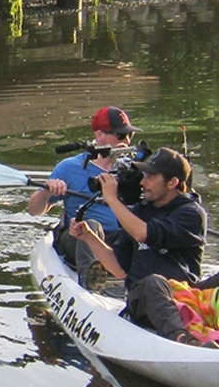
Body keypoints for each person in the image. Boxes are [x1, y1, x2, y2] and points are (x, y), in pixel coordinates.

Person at [69, 147, 207, 345]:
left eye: (151, 177)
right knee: (154, 282)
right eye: (144, 176)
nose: (143, 182)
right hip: (144, 298)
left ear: (172, 183)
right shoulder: (140, 212)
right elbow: (119, 269)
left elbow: (143, 234)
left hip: (186, 296)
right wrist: (88, 236)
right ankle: (183, 339)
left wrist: (112, 199)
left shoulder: (190, 213)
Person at [28, 106, 142, 281]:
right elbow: (33, 211)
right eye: (120, 135)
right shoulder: (69, 168)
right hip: (79, 237)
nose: (126, 141)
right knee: (90, 226)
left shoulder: (136, 170)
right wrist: (46, 191)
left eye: (129, 135)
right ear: (99, 135)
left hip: (118, 239)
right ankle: (90, 279)